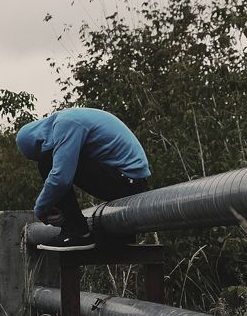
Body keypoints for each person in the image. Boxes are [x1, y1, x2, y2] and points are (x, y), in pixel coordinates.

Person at [16, 107, 150, 251]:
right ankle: (77, 229)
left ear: (39, 141)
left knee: (47, 162)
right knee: (54, 163)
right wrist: (59, 208)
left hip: (129, 182)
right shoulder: (66, 119)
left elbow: (61, 179)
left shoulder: (66, 123)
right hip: (127, 180)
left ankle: (77, 232)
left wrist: (41, 210)